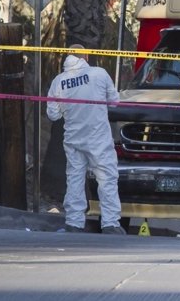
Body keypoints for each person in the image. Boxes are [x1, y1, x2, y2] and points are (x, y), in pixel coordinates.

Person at [46, 44, 124, 234]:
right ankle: (110, 224)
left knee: (74, 179)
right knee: (107, 178)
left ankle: (74, 223)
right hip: (98, 139)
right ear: (86, 58)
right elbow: (114, 101)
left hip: (73, 139)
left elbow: (52, 115)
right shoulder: (100, 74)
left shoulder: (59, 81)